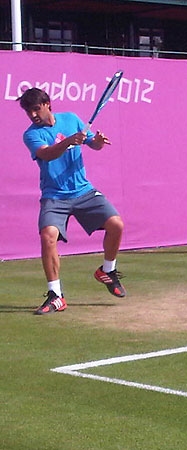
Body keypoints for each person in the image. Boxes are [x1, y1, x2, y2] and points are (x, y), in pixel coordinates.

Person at [19, 87, 127, 315]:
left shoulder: (71, 119)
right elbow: (47, 154)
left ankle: (107, 271)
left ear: (47, 104)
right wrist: (68, 141)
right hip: (54, 196)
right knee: (48, 236)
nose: (33, 115)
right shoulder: (31, 134)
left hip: (83, 191)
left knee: (116, 224)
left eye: (36, 109)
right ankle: (56, 296)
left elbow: (93, 144)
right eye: (29, 112)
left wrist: (97, 141)